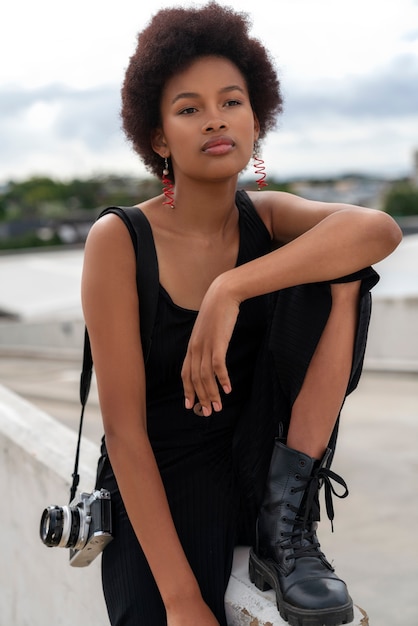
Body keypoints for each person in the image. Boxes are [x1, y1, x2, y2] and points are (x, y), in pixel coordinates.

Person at [81, 3, 402, 625]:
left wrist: (231, 287)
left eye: (231, 102)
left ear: (257, 119)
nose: (215, 120)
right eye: (189, 108)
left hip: (257, 472)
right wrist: (179, 599)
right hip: (162, 487)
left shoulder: (266, 216)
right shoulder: (120, 240)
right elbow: (123, 432)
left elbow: (378, 229)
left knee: (342, 270)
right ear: (157, 137)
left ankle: (290, 520)